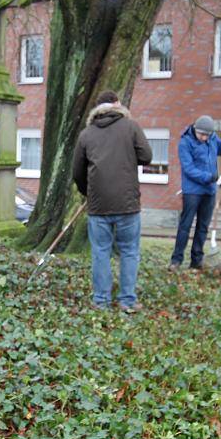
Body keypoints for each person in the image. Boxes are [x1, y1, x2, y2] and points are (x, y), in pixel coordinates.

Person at [72, 90, 152, 313]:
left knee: (100, 252)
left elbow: (77, 172)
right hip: (127, 203)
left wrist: (88, 193)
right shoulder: (131, 127)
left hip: (98, 205)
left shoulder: (86, 134)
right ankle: (127, 300)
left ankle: (101, 301)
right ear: (117, 105)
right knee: (129, 251)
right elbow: (147, 156)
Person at [169, 115, 221, 270]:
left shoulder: (211, 138)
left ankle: (196, 260)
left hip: (209, 191)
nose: (204, 138)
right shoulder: (185, 142)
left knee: (203, 226)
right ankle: (176, 260)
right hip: (192, 191)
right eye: (202, 135)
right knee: (185, 225)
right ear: (195, 130)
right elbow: (189, 169)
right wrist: (212, 177)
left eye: (207, 135)